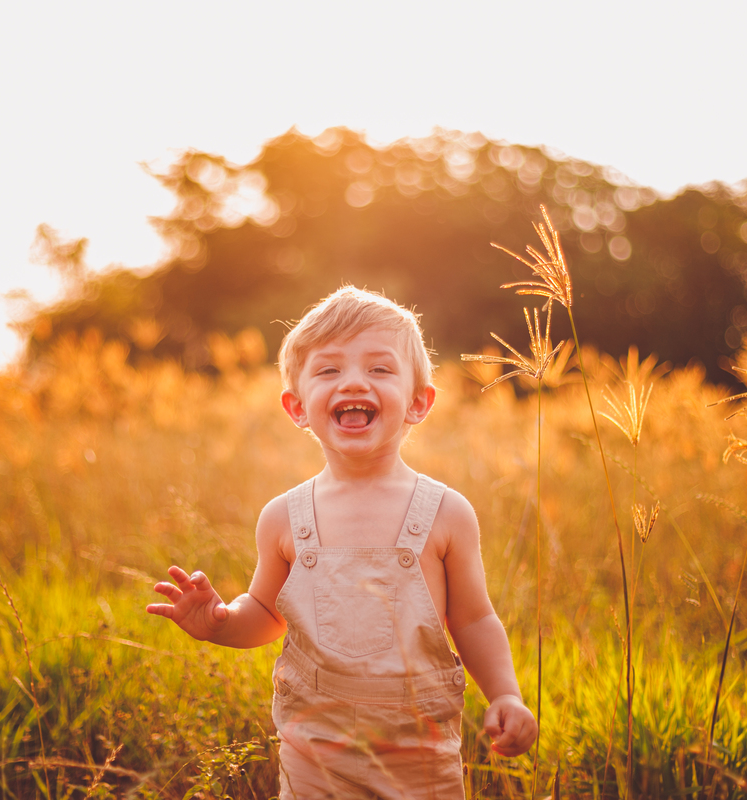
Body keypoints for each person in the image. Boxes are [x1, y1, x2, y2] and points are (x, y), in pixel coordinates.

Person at [147, 287, 537, 799]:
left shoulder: (445, 513)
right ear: (298, 407)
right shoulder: (284, 518)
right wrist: (219, 623)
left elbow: (473, 618)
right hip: (313, 758)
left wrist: (505, 693)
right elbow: (266, 612)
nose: (354, 381)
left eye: (380, 369)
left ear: (419, 402)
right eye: (329, 370)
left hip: (419, 761)